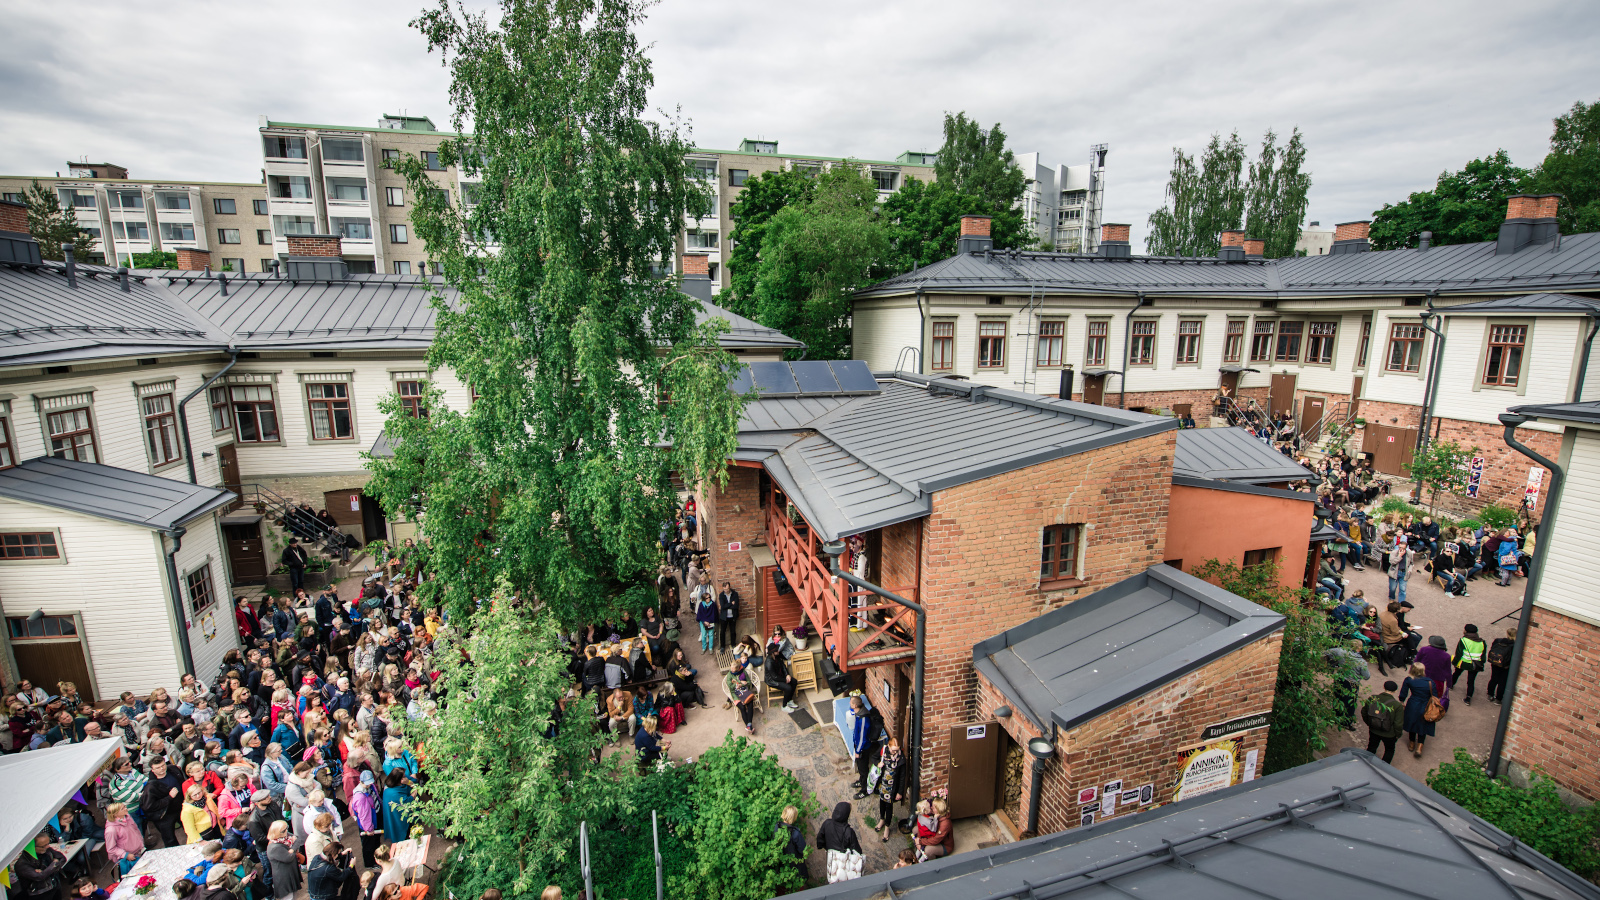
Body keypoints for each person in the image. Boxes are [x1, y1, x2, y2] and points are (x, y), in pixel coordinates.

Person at [847, 696, 883, 800]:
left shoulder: (863, 718)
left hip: (863, 748)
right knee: (860, 766)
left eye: (851, 702)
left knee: (863, 769)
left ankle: (865, 790)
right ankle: (862, 780)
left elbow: (862, 738)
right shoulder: (859, 712)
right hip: (859, 746)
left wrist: (858, 750)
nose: (849, 703)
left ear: (855, 705)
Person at [817, 802, 862, 884]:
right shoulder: (849, 831)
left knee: (832, 873)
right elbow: (857, 851)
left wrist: (826, 847)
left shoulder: (827, 823)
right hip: (843, 861)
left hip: (831, 855)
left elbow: (820, 840)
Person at [1360, 681, 1405, 763]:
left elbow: (1364, 712)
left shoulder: (1372, 698)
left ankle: (1366, 763)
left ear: (1384, 688)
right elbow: (1398, 724)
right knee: (1389, 750)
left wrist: (1369, 723)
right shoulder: (1397, 705)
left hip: (1374, 729)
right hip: (1389, 734)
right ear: (1395, 691)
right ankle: (1383, 767)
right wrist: (1397, 735)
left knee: (1371, 747)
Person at [1398, 663, 1437, 758]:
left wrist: (1402, 701)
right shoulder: (1430, 682)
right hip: (1425, 705)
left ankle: (1412, 743)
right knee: (1423, 725)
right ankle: (1420, 747)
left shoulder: (1409, 680)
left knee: (1412, 723)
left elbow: (1403, 693)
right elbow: (1435, 695)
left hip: (1413, 704)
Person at [874, 736, 908, 842]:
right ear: (889, 746)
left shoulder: (901, 758)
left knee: (889, 806)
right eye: (893, 750)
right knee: (881, 803)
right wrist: (878, 764)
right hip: (882, 784)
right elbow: (874, 758)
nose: (894, 752)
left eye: (896, 750)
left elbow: (902, 777)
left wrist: (900, 792)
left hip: (892, 787)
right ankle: (881, 820)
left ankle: (887, 827)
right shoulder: (884, 751)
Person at [17, 832, 67, 900]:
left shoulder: (46, 849)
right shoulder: (22, 863)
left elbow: (62, 858)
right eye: (43, 846)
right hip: (39, 894)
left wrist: (45, 871)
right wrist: (53, 864)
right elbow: (39, 876)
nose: (48, 846)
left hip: (54, 885)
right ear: (32, 847)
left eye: (48, 844)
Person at [350, 770, 382, 868]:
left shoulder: (370, 787)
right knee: (369, 845)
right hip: (367, 824)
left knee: (376, 841)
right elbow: (364, 816)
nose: (369, 785)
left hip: (375, 816)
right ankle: (370, 863)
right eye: (367, 783)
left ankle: (377, 858)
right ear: (361, 782)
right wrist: (368, 828)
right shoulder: (360, 797)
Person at [105, 802, 146, 875]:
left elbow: (136, 830)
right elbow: (111, 849)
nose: (126, 809)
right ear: (115, 814)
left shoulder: (127, 817)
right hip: (128, 859)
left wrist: (141, 844)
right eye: (122, 808)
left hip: (139, 853)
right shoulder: (111, 830)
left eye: (125, 806)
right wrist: (125, 855)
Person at [1451, 624, 1487, 704]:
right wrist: (1481, 663)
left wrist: (1455, 662)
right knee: (1471, 681)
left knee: (1456, 673)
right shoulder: (1482, 642)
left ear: (1466, 631)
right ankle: (1468, 697)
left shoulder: (1463, 640)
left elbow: (1459, 653)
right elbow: (1483, 656)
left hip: (1464, 662)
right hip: (1475, 664)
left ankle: (1451, 685)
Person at [1415, 634, 1453, 711]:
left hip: (1421, 677)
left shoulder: (1424, 650)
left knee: (1418, 695)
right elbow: (1448, 671)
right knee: (1433, 699)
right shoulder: (1446, 656)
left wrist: (1412, 674)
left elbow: (1416, 662)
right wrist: (1449, 684)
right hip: (1437, 681)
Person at [264, 821, 300, 900]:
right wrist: (293, 849)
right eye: (284, 830)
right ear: (277, 832)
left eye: (287, 828)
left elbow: (298, 840)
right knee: (289, 897)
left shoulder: (284, 836)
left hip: (290, 873)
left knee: (294, 896)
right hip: (283, 878)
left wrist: (292, 849)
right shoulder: (274, 847)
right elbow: (289, 858)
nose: (287, 831)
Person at [381, 770, 413, 842]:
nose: (405, 778)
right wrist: (410, 784)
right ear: (399, 779)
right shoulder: (394, 793)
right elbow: (409, 799)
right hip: (398, 817)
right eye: (404, 777)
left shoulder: (388, 785)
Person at [1486, 627, 1516, 704]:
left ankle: (1490, 694)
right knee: (1502, 682)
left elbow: (1492, 649)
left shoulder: (1498, 641)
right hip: (1506, 666)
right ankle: (1498, 699)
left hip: (1495, 663)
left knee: (1494, 679)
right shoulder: (1514, 645)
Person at [779, 806, 807, 882]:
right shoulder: (795, 833)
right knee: (799, 877)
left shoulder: (777, 827)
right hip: (795, 861)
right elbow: (803, 849)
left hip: (782, 860)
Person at [717, 582, 740, 652]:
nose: (726, 591)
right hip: (724, 617)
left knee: (733, 631)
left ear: (729, 587)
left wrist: (728, 605)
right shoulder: (721, 595)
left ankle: (733, 644)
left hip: (732, 616)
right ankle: (722, 646)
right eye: (724, 589)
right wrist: (731, 603)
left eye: (727, 589)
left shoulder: (735, 594)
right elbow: (723, 606)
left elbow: (736, 606)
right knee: (722, 632)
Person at [695, 587, 718, 654]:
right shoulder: (701, 605)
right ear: (704, 599)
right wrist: (704, 621)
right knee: (704, 635)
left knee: (711, 635)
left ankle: (710, 647)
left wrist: (709, 621)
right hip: (703, 622)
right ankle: (704, 647)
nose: (709, 599)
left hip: (711, 622)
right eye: (707, 598)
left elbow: (714, 614)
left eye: (709, 597)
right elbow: (700, 614)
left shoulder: (713, 604)